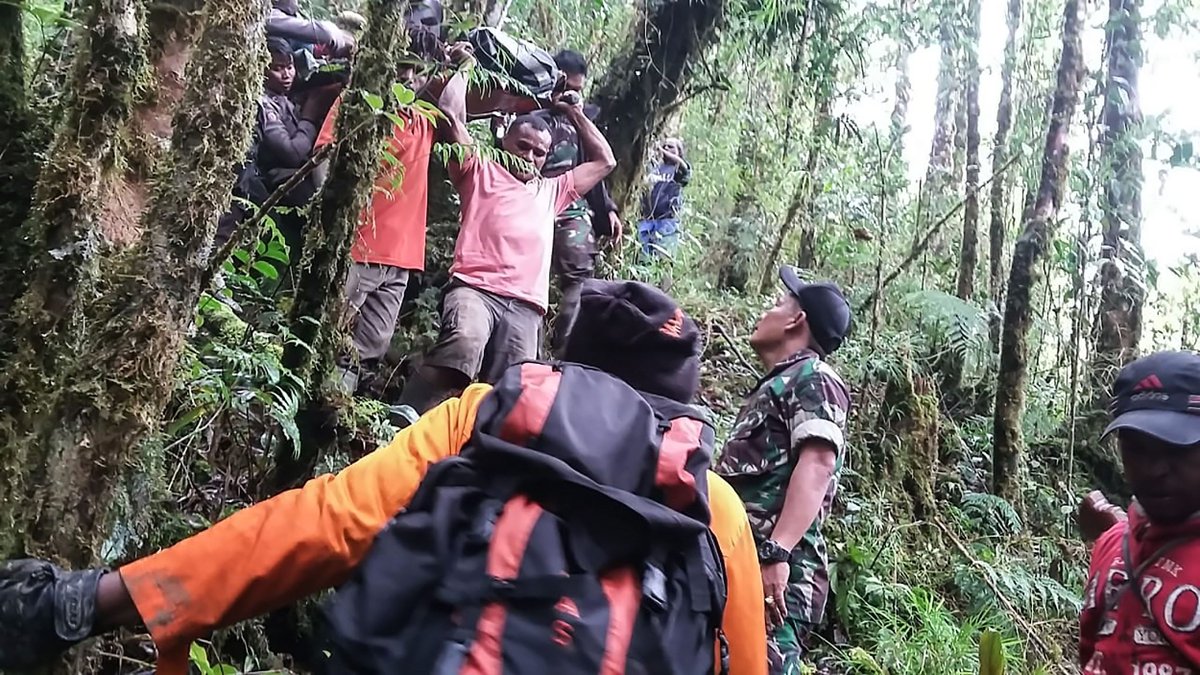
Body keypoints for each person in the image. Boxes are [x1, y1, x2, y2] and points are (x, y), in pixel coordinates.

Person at [0, 281, 766, 675]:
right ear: (684, 405)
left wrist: (94, 599)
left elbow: (329, 522)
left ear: (563, 362)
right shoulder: (712, 508)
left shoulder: (485, 419)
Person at [391, 56, 616, 419]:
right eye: (522, 146)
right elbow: (451, 113)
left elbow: (605, 161)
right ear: (506, 142)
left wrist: (574, 113)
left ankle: (478, 453)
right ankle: (405, 417)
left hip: (526, 305)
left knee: (513, 387)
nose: (530, 157)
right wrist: (466, 67)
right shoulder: (479, 168)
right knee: (462, 345)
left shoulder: (552, 189)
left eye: (539, 153)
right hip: (475, 288)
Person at [713, 265, 853, 674]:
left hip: (772, 575)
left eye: (777, 303)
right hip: (739, 565)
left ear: (796, 319)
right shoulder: (780, 383)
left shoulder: (816, 378)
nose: (767, 310)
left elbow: (819, 463)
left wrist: (778, 552)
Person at [316, 38, 467, 391]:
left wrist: (463, 68)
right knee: (328, 333)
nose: (408, 77)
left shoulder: (424, 119)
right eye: (402, 66)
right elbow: (323, 154)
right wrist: (329, 217)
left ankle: (332, 411)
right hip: (357, 244)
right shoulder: (359, 104)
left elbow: (453, 110)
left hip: (401, 257)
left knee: (371, 345)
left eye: (417, 69)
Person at [1077, 351, 1200, 673]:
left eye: (1176, 446)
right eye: (1136, 447)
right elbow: (1090, 651)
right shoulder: (1111, 545)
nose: (1154, 469)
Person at [530, 49, 622, 356]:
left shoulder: (583, 120)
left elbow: (598, 163)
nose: (570, 95)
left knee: (580, 281)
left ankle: (565, 352)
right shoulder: (526, 109)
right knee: (530, 275)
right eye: (565, 87)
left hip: (573, 207)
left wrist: (607, 208)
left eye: (577, 90)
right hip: (532, 202)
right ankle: (530, 352)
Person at [253, 37, 339, 268]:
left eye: (289, 66)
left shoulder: (286, 98)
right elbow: (291, 153)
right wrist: (311, 114)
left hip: (299, 177)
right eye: (277, 68)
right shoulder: (263, 103)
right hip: (281, 182)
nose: (286, 74)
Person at [637, 137, 691, 258]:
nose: (666, 148)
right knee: (642, 259)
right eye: (664, 145)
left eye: (670, 147)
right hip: (647, 220)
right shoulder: (653, 168)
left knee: (663, 260)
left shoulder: (679, 170)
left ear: (679, 152)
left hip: (667, 222)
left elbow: (683, 166)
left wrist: (660, 149)